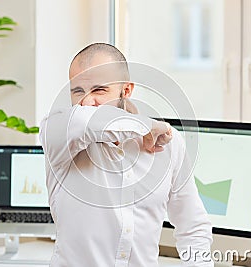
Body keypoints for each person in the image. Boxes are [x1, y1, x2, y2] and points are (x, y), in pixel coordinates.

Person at [40, 43, 212, 267]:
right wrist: (147, 126)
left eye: (99, 90)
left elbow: (193, 228)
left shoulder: (170, 145)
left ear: (127, 90)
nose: (86, 102)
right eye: (78, 91)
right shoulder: (59, 133)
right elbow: (86, 120)